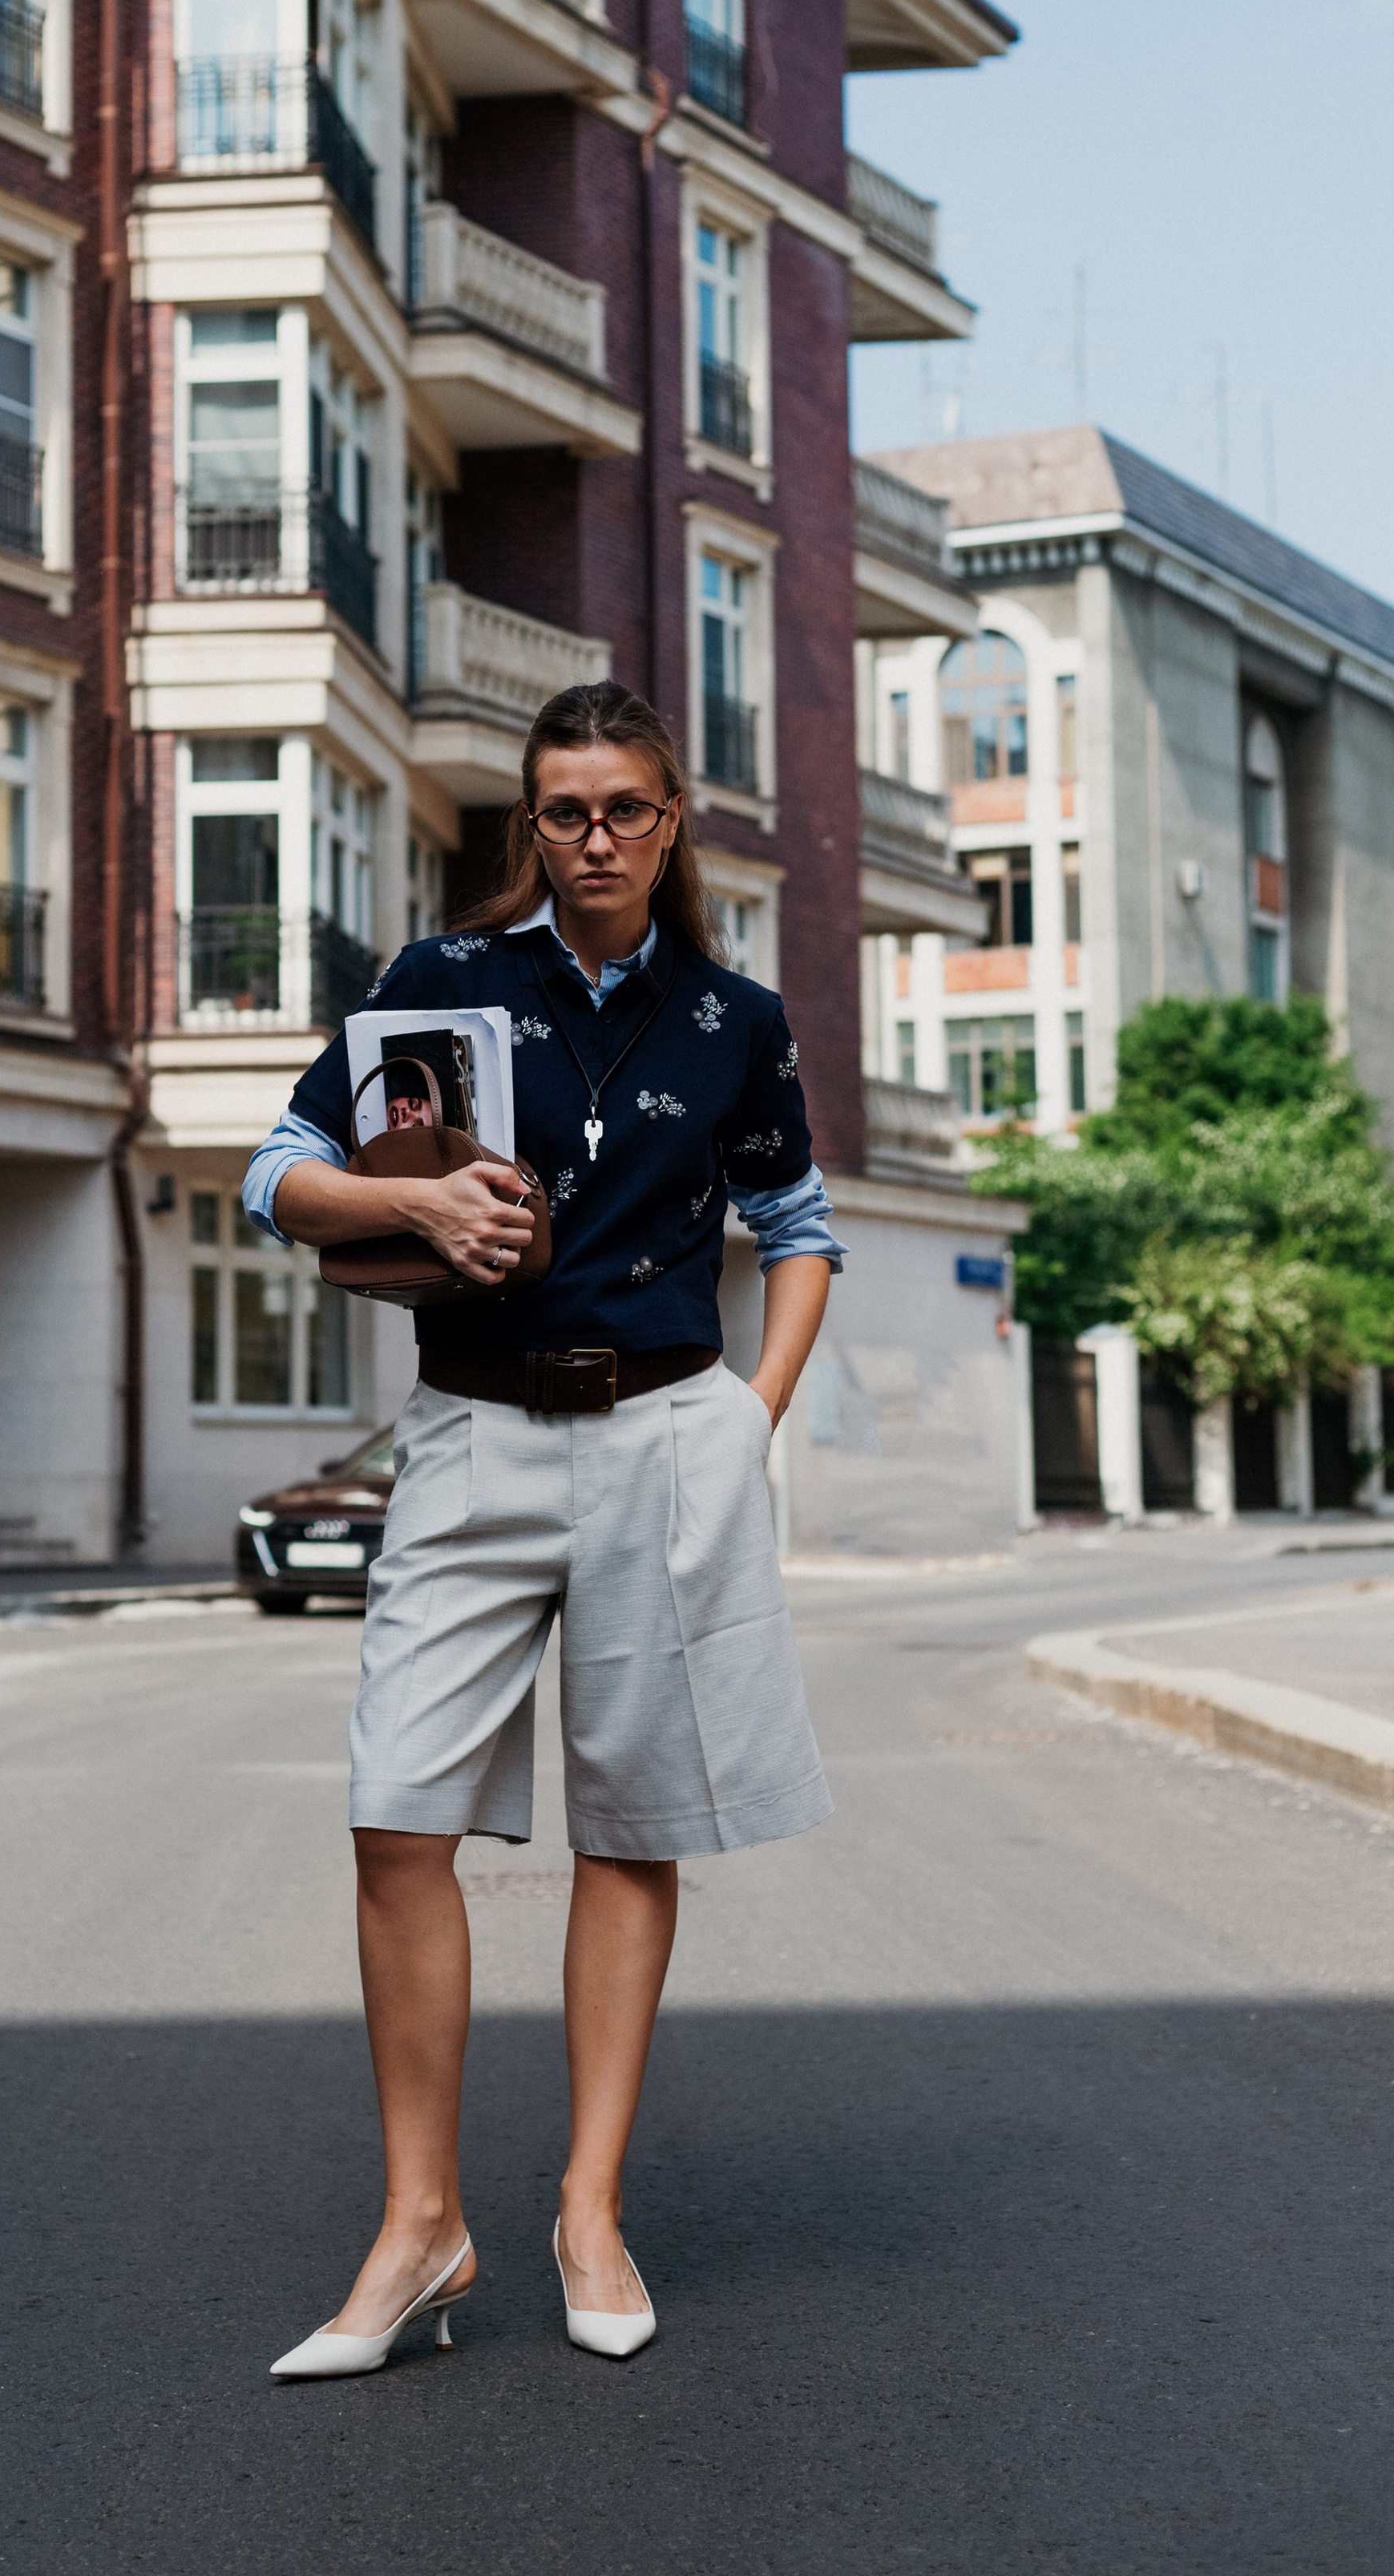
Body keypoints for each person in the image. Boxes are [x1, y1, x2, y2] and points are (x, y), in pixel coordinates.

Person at [242, 680, 838, 2378]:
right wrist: (409, 1195)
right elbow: (273, 1174)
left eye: (624, 810)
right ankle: (420, 2226)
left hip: (665, 1434)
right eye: (562, 811)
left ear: (670, 825)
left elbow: (797, 1229)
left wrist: (748, 1411)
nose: (592, 839)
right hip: (470, 1432)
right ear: (532, 825)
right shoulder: (441, 985)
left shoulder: (734, 1019)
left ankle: (587, 2206)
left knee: (631, 1824)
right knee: (393, 1813)